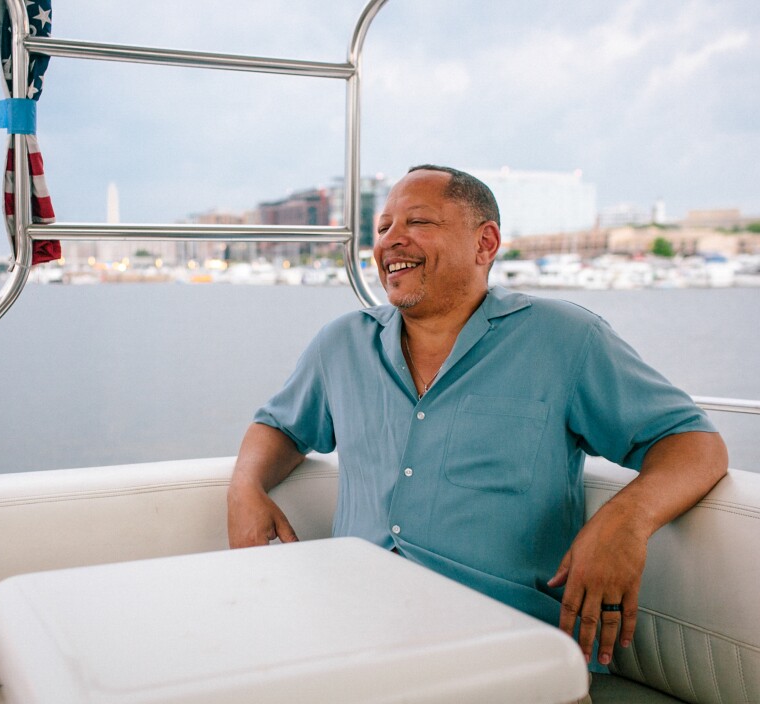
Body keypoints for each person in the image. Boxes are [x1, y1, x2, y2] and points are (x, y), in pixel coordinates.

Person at [227, 165, 728, 673]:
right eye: (382, 229)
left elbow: (693, 443)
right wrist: (245, 486)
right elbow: (280, 426)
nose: (389, 243)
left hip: (512, 656)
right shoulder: (341, 344)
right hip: (354, 639)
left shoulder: (567, 340)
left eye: (417, 222)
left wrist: (626, 521)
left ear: (485, 243)